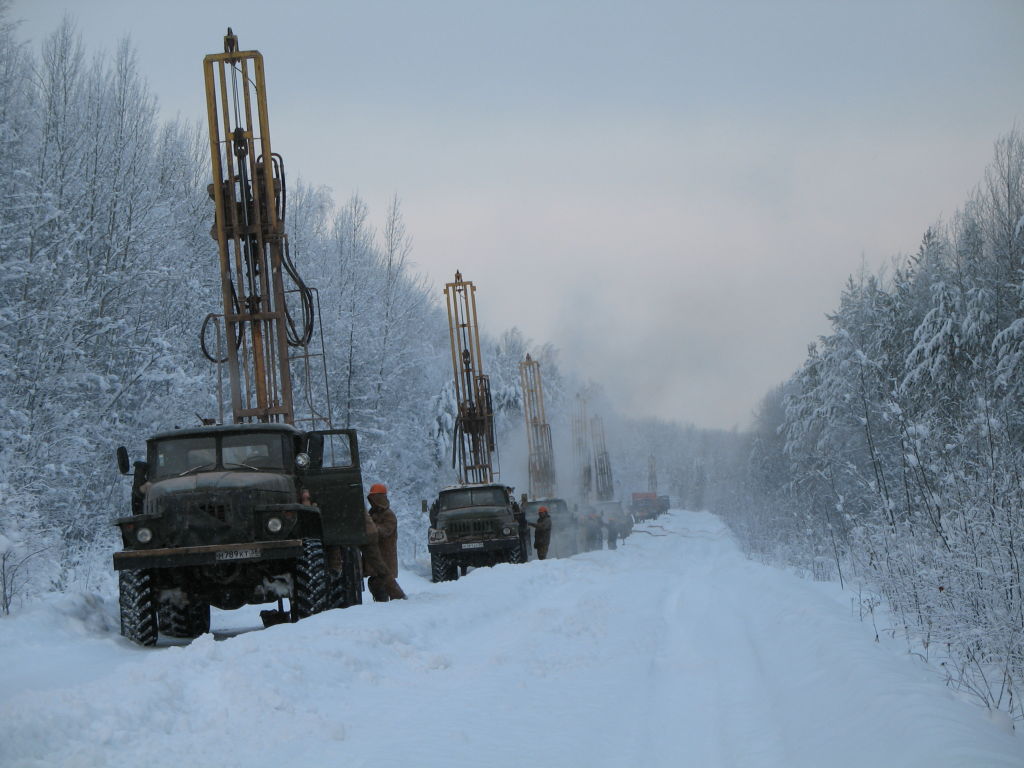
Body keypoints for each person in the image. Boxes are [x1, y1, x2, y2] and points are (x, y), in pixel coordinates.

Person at [364, 483, 407, 601]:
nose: (373, 501)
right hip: (376, 558)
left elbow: (385, 531)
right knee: (375, 583)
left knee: (383, 582)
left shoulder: (388, 515)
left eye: (375, 497)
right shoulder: (371, 514)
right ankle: (385, 605)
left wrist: (370, 528)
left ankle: (396, 602)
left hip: (385, 557)